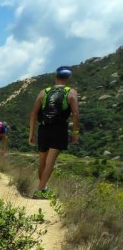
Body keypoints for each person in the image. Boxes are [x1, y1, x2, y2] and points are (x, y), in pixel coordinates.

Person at [28, 66, 80, 198]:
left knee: (42, 162)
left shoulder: (43, 92)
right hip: (59, 129)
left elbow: (33, 113)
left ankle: (42, 188)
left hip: (43, 128)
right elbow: (75, 114)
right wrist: (75, 133)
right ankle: (40, 190)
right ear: (68, 78)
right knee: (50, 162)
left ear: (55, 77)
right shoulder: (71, 92)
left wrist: (31, 134)